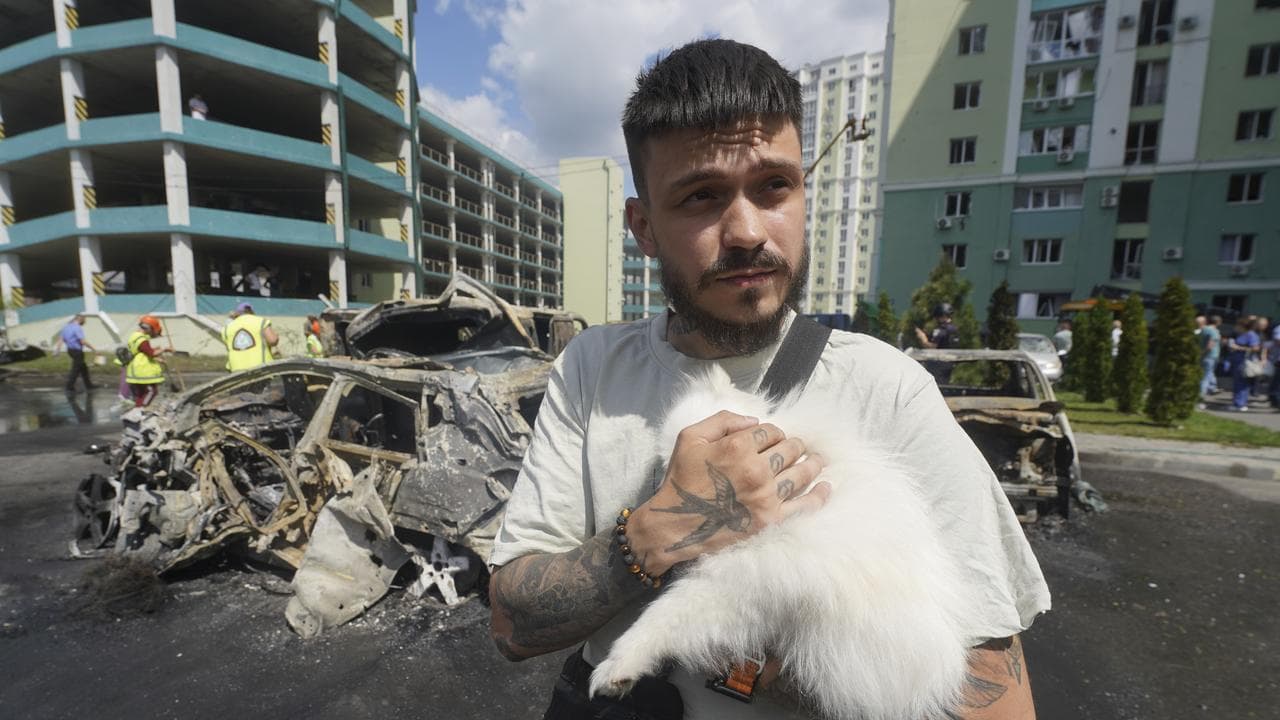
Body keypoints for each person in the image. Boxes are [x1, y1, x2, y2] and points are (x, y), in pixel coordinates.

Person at [487, 39, 1047, 720]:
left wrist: (758, 657)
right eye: (701, 196)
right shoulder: (592, 367)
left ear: (805, 195)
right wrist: (660, 532)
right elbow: (512, 625)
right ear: (643, 227)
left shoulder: (887, 389)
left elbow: (999, 697)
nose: (748, 230)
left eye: (774, 186)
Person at [125, 315, 169, 407]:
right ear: (149, 328)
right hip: (143, 370)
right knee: (151, 391)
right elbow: (151, 353)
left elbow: (142, 352)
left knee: (141, 393)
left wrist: (158, 358)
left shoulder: (134, 336)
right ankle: (142, 409)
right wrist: (165, 349)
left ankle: (137, 410)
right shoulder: (142, 339)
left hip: (136, 367)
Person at [222, 302, 279, 371]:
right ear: (252, 311)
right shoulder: (261, 321)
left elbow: (229, 348)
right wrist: (276, 336)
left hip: (236, 369)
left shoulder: (227, 328)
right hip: (260, 367)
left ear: (237, 314)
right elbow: (272, 340)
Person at [54, 313, 97, 392]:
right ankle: (69, 387)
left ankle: (89, 385)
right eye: (84, 320)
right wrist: (94, 349)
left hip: (70, 350)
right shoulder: (77, 328)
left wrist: (57, 351)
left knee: (83, 368)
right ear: (80, 319)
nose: (85, 322)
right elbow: (82, 341)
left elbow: (60, 340)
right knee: (75, 369)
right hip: (77, 351)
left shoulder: (66, 327)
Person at [1226, 317, 1260, 412]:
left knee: (1242, 383)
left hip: (1244, 362)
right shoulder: (1243, 334)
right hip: (1238, 361)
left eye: (1238, 325)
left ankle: (1240, 404)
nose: (1236, 327)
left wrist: (1238, 348)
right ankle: (1237, 403)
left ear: (1242, 326)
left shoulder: (1251, 335)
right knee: (1238, 383)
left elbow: (1256, 348)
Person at [1198, 315, 1222, 407]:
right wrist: (1203, 352)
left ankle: (1213, 387)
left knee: (1206, 375)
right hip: (1211, 356)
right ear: (1218, 322)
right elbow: (1210, 345)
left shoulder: (1204, 329)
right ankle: (1201, 398)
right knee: (1205, 378)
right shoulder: (1214, 331)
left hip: (1204, 356)